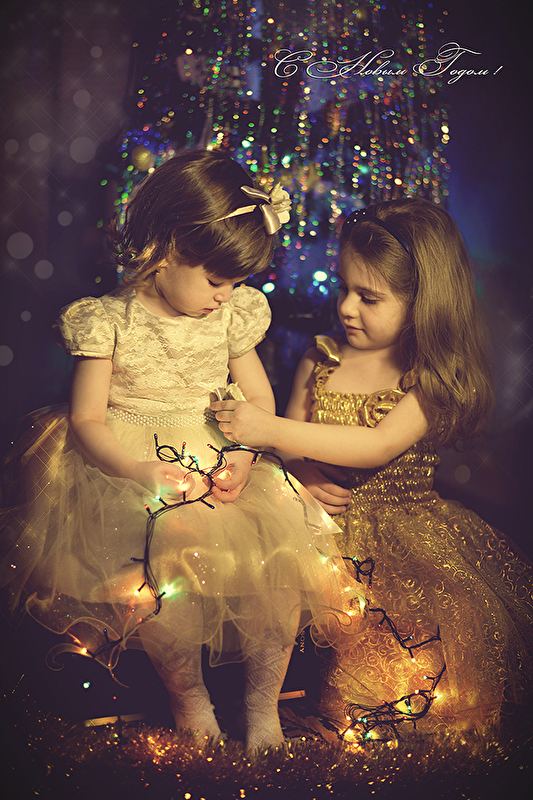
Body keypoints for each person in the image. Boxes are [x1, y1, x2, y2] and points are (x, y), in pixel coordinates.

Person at [0, 150, 366, 754]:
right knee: (170, 567)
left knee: (279, 562)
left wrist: (244, 453)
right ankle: (191, 703)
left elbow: (258, 398)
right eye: (216, 282)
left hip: (218, 452)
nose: (226, 297)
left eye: (236, 284)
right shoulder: (108, 320)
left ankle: (263, 709)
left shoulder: (231, 315)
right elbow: (87, 418)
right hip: (134, 460)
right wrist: (136, 470)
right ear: (166, 251)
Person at [212, 198, 533, 737]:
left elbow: (377, 444)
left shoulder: (429, 379)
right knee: (280, 595)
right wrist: (302, 475)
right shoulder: (322, 357)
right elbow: (295, 442)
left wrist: (267, 430)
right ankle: (263, 709)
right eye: (343, 288)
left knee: (403, 669)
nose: (346, 307)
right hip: (319, 530)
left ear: (423, 303)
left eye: (369, 297)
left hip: (403, 535)